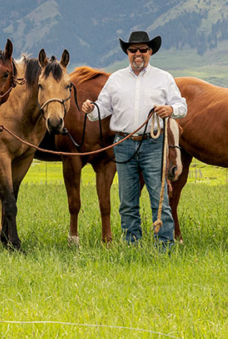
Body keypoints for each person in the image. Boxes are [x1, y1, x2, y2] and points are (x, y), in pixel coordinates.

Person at [80, 30, 187, 246]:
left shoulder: (164, 78)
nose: (138, 53)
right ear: (127, 53)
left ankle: (165, 246)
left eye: (143, 49)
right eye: (133, 50)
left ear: (150, 52)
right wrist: (91, 109)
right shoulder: (115, 79)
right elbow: (103, 108)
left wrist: (170, 109)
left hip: (154, 143)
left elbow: (181, 106)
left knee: (159, 199)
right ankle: (132, 244)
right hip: (123, 144)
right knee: (127, 201)